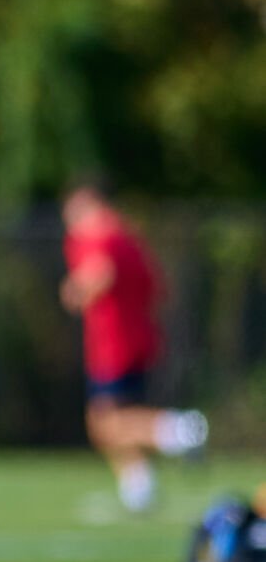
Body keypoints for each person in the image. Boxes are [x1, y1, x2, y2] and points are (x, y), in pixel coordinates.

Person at [59, 179, 207, 511]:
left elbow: (101, 274)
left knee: (105, 424)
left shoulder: (97, 234)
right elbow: (157, 286)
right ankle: (139, 485)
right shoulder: (129, 235)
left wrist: (75, 290)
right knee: (116, 419)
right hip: (139, 336)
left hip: (112, 342)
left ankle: (179, 430)